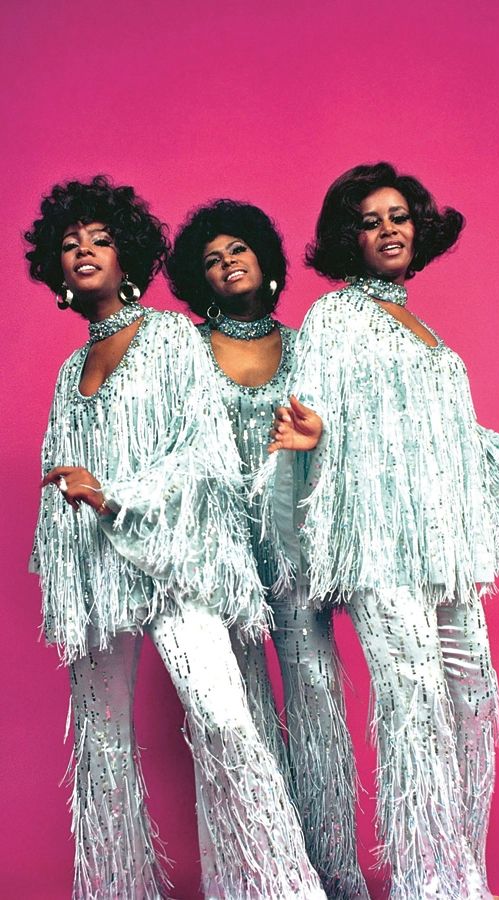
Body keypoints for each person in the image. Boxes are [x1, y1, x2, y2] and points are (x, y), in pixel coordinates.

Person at [264, 162, 499, 900]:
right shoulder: (335, 317)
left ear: (420, 229)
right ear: (349, 238)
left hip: (440, 552)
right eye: (371, 220)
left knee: (473, 701)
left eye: (400, 216)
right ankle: (429, 884)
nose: (388, 230)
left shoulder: (422, 327)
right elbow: (311, 407)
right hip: (380, 555)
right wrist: (311, 428)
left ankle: (459, 872)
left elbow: (456, 441)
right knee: (414, 710)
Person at [25, 176, 326, 900]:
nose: (85, 252)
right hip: (97, 574)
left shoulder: (166, 337)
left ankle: (285, 889)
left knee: (225, 720)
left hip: (175, 562)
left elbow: (204, 451)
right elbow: (57, 487)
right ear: (58, 274)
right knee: (101, 744)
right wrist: (70, 574)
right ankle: (115, 889)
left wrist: (118, 496)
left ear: (128, 257)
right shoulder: (71, 372)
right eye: (70, 246)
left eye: (100, 240)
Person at [167, 199, 368, 900]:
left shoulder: (308, 345)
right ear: (200, 279)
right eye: (212, 259)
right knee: (241, 709)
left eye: (239, 250)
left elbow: (340, 435)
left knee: (315, 696)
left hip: (293, 545)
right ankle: (264, 877)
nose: (227, 263)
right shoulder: (184, 350)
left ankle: (334, 870)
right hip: (216, 548)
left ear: (265, 260)